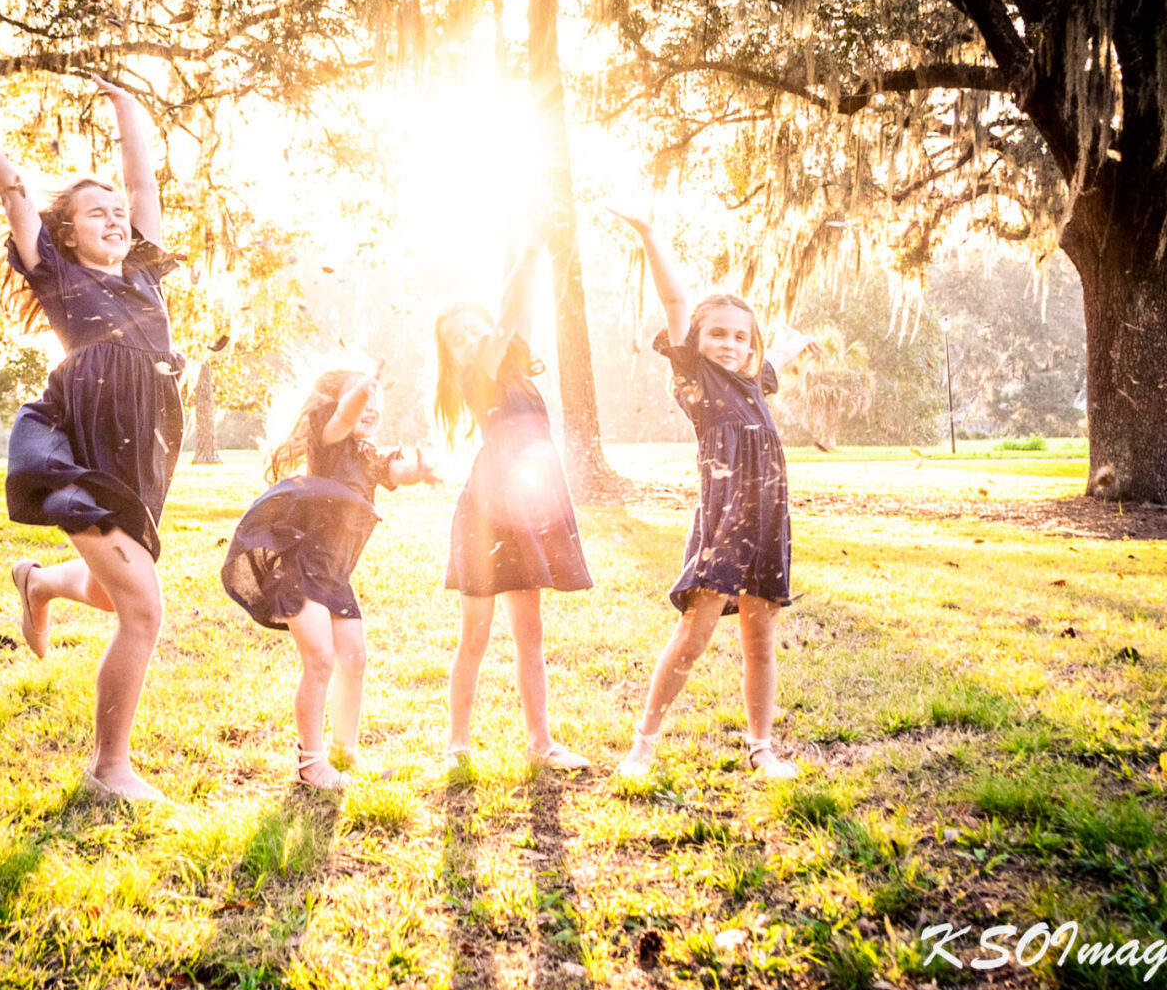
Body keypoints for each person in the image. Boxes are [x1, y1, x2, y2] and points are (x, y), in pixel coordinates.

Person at [0, 49, 183, 802]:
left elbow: (142, 182)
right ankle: (108, 769)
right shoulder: (57, 274)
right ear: (65, 232)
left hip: (141, 452)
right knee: (142, 608)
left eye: (118, 214)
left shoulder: (144, 273)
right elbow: (12, 186)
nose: (116, 219)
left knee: (113, 589)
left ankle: (38, 584)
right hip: (77, 447)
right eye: (96, 213)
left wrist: (128, 104)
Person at [609, 210, 818, 780]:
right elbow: (677, 304)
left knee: (760, 634)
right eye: (717, 334)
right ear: (696, 342)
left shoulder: (755, 381)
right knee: (694, 635)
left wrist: (795, 344)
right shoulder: (695, 380)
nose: (728, 344)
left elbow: (775, 358)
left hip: (770, 522)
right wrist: (652, 235)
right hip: (724, 525)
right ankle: (643, 745)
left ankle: (762, 748)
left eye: (739, 336)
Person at [222, 363, 438, 790]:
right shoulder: (330, 438)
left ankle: (344, 753)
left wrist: (422, 467)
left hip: (335, 577)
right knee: (320, 661)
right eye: (362, 398)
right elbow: (343, 415)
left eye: (377, 399)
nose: (370, 406)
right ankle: (310, 764)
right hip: (302, 569)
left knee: (354, 658)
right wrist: (361, 388)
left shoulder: (368, 456)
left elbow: (397, 473)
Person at [435, 237, 594, 773]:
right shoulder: (476, 379)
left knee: (531, 634)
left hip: (529, 508)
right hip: (486, 515)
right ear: (452, 356)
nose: (470, 340)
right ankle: (458, 744)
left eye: (473, 329)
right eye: (457, 339)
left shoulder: (520, 375)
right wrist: (526, 256)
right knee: (475, 635)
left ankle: (541, 743)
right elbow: (506, 318)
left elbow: (510, 321)